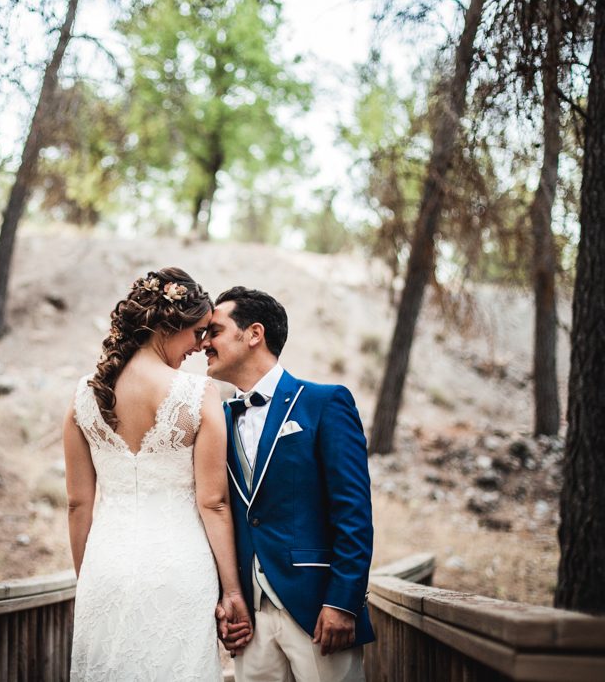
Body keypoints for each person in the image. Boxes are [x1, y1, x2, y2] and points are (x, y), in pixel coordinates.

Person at [64, 268, 253, 681]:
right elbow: (213, 502)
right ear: (169, 325)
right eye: (199, 332)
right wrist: (233, 592)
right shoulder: (197, 394)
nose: (200, 346)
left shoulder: (84, 396)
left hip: (104, 566)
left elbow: (78, 504)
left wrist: (90, 577)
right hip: (180, 569)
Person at [205, 286, 374, 682]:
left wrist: (343, 601)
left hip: (317, 607)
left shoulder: (324, 402)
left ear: (253, 334)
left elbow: (353, 511)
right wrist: (227, 598)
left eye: (214, 330)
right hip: (250, 618)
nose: (204, 343)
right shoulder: (216, 418)